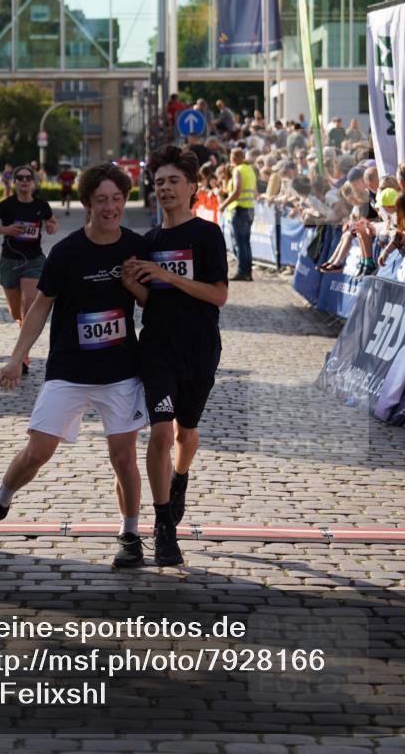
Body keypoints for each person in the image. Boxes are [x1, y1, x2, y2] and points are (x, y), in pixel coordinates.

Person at [0, 163, 149, 568]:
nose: (111, 207)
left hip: (120, 370)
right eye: (101, 200)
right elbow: (39, 308)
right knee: (38, 451)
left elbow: (155, 303)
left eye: (117, 199)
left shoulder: (136, 247)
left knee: (124, 458)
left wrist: (135, 285)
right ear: (86, 203)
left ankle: (130, 535)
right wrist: (16, 357)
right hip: (69, 369)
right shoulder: (66, 252)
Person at [122, 145, 228, 567]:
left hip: (200, 348)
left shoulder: (207, 235)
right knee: (161, 433)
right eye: (159, 182)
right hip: (158, 349)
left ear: (191, 187)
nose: (165, 188)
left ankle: (180, 478)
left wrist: (167, 275)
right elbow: (153, 301)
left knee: (186, 434)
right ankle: (164, 525)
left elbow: (218, 295)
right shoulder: (149, 241)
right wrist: (133, 284)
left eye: (173, 181)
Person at [0, 164, 59, 374]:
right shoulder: (6, 205)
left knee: (29, 306)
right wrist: (5, 229)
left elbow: (52, 222)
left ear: (33, 182)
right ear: (14, 182)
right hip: (9, 261)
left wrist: (51, 227)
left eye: (28, 178)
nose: (24, 181)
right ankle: (23, 333)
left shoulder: (41, 205)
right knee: (17, 312)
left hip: (34, 261)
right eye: (20, 178)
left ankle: (22, 354)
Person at [218, 147, 257, 281]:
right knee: (246, 243)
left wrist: (223, 205)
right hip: (250, 209)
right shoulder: (250, 169)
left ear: (233, 158)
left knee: (240, 243)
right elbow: (254, 191)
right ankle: (248, 272)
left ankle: (242, 272)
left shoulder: (238, 170)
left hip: (239, 210)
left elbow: (236, 192)